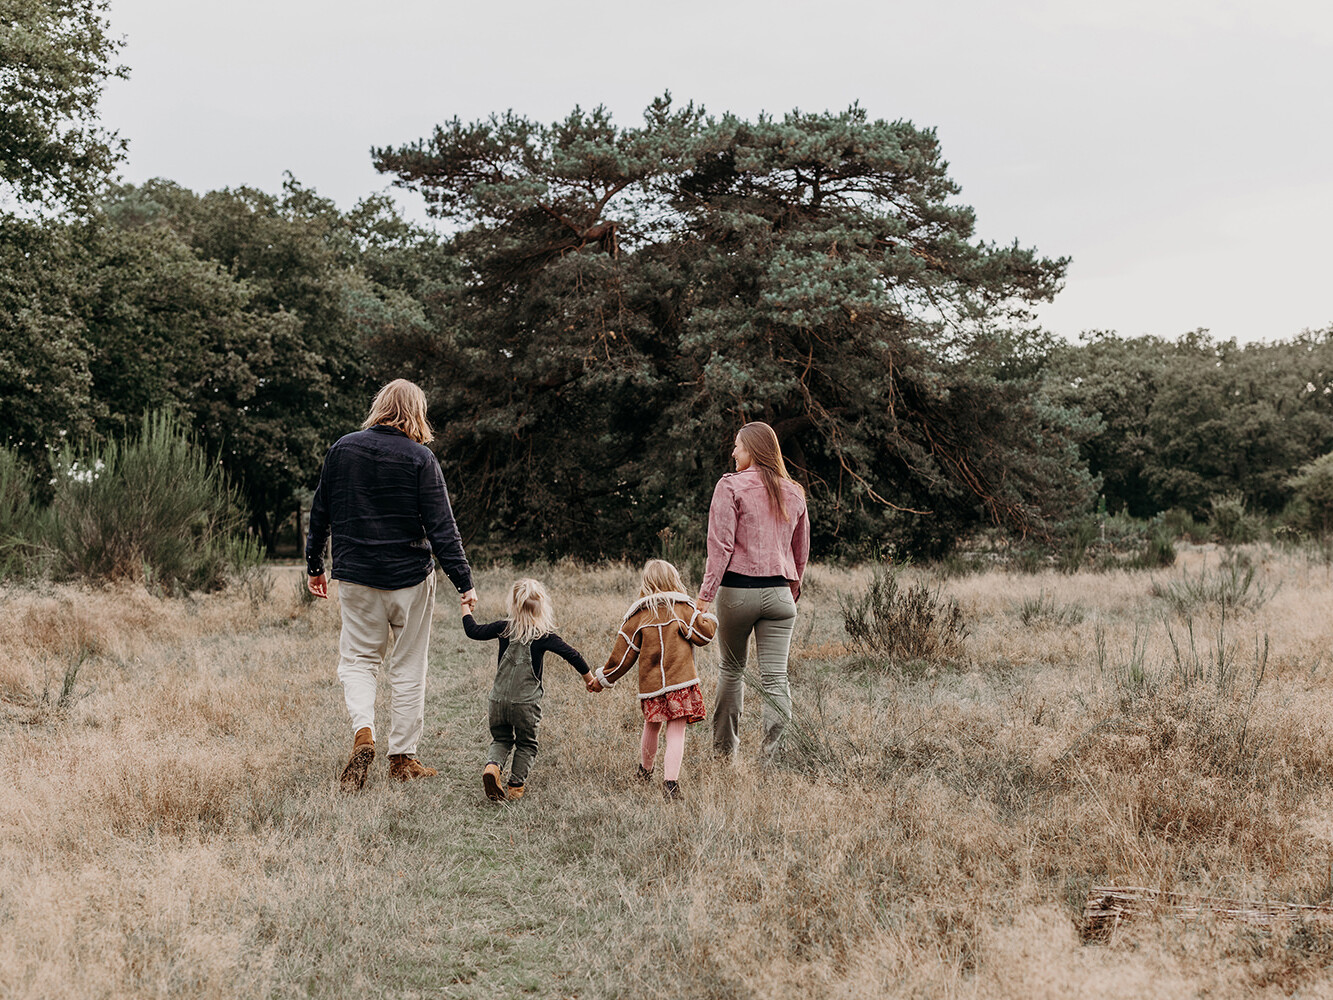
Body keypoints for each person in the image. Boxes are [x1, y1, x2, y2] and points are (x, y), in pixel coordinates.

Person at [306, 379, 478, 791]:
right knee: (408, 665)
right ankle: (402, 759)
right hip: (408, 580)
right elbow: (442, 528)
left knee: (359, 661)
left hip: (355, 575)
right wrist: (463, 581)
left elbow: (320, 511)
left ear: (379, 407)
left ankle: (363, 734)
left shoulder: (342, 449)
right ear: (416, 412)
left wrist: (315, 565)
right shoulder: (421, 459)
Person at [697, 421, 809, 759]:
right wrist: (792, 592)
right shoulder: (794, 491)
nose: (733, 452)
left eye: (738, 446)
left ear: (754, 450)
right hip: (780, 596)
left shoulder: (730, 487)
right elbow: (799, 553)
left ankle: (723, 756)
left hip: (736, 594)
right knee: (776, 680)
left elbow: (720, 547)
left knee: (731, 671)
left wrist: (703, 598)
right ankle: (770, 761)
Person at [590, 559, 717, 800]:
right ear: (674, 580)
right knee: (676, 732)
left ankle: (644, 772)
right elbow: (704, 634)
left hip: (652, 686)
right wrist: (706, 617)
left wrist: (602, 679)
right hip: (680, 683)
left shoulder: (638, 616)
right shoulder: (682, 609)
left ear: (647, 583)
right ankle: (670, 785)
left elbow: (623, 656)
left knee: (652, 726)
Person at [463, 578, 591, 802]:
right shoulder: (544, 635)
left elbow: (473, 631)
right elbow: (573, 655)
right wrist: (589, 679)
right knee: (526, 743)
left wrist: (465, 606)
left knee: (501, 739)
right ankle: (515, 786)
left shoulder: (504, 628)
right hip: (526, 704)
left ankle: (492, 767)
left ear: (513, 605)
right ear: (542, 608)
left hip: (497, 700)